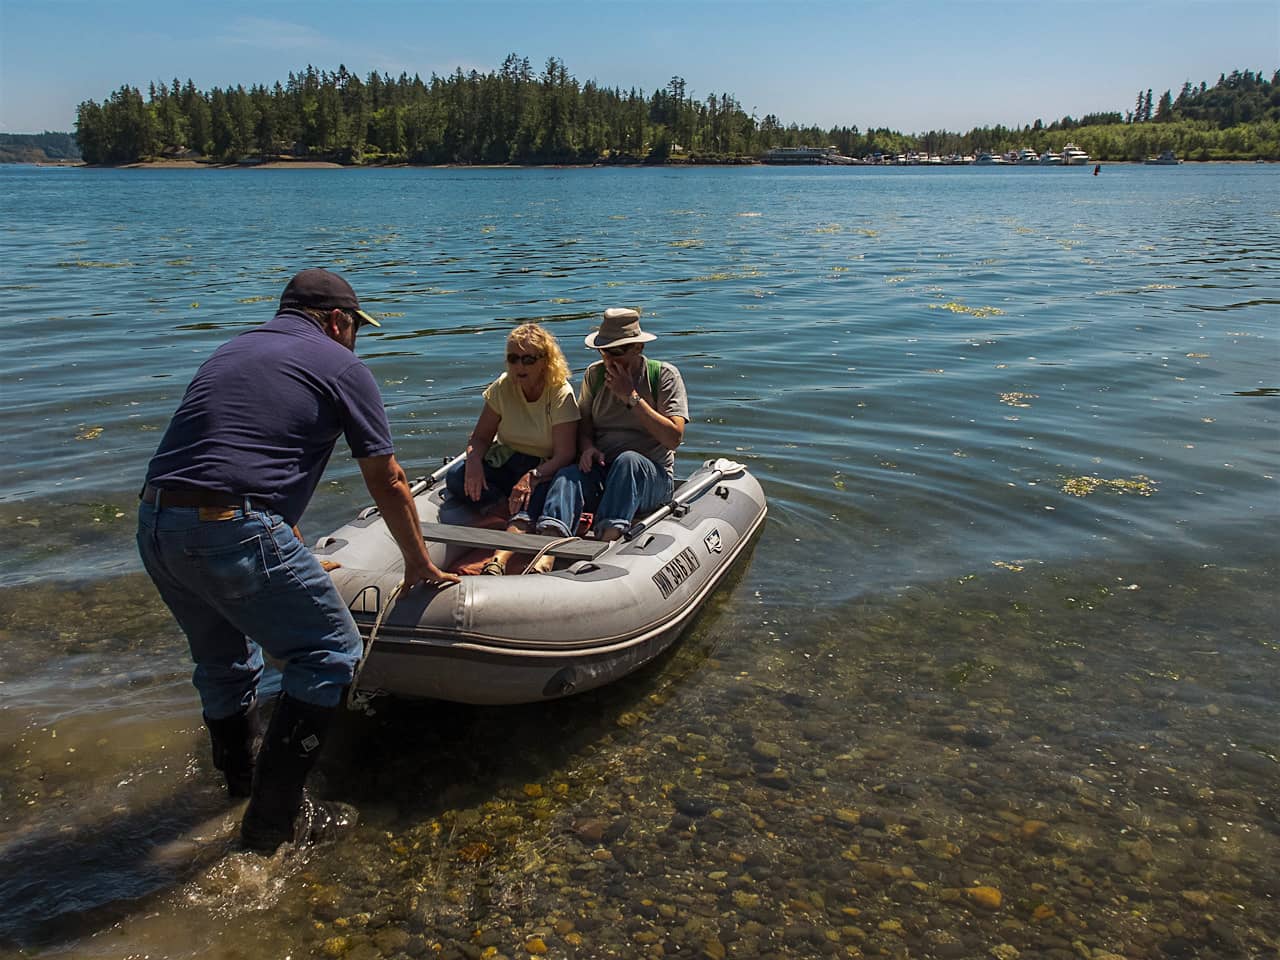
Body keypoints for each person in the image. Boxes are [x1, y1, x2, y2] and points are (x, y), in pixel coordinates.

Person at [136, 268, 459, 855]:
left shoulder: (232, 350)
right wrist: (419, 564)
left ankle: (238, 789)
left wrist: (283, 544)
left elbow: (238, 453)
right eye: (355, 327)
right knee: (331, 651)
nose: (356, 338)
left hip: (157, 523)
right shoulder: (342, 366)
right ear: (337, 321)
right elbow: (387, 477)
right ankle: (272, 831)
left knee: (226, 662)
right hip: (230, 528)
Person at [535, 308, 688, 543]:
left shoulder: (664, 376)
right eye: (604, 352)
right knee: (568, 474)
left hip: (650, 477)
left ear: (638, 348)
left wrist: (631, 397)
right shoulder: (594, 375)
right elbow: (584, 427)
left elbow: (673, 438)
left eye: (616, 352)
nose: (609, 360)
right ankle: (550, 540)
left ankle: (607, 538)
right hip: (604, 470)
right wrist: (587, 448)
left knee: (629, 461)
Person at [444, 323, 579, 574]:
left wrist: (533, 476)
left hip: (544, 466)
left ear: (545, 361)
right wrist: (473, 465)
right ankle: (501, 507)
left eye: (528, 359)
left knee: (538, 492)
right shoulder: (504, 386)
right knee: (456, 477)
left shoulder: (560, 392)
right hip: (508, 460)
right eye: (513, 359)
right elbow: (480, 437)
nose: (519, 366)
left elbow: (566, 453)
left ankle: (516, 529)